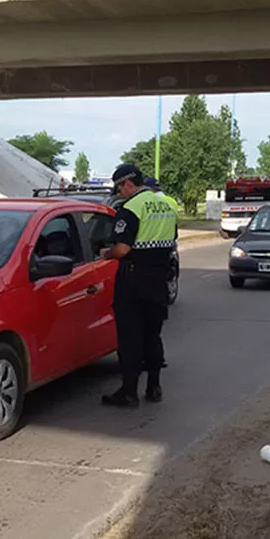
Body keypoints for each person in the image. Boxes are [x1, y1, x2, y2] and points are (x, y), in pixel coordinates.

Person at [99, 164, 177, 407]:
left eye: (119, 187)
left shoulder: (131, 208)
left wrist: (106, 253)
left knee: (130, 337)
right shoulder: (167, 205)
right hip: (158, 279)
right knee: (153, 335)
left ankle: (129, 391)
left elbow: (122, 249)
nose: (118, 192)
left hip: (133, 281)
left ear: (129, 183)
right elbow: (171, 239)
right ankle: (154, 387)